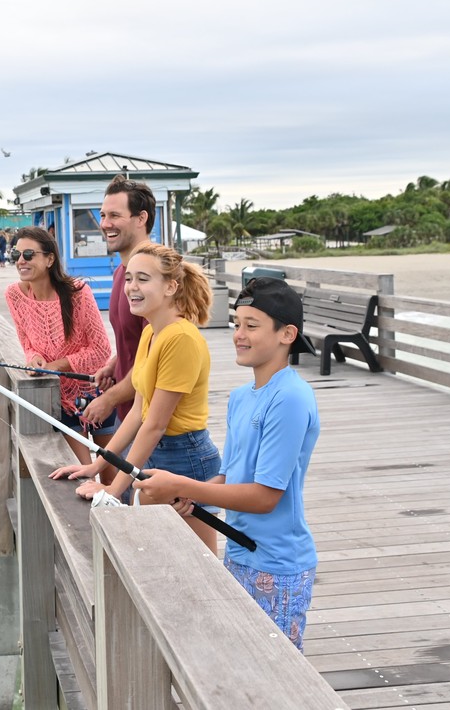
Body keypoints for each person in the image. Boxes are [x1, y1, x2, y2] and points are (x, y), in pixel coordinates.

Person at [134, 276, 321, 651]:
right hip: (239, 555)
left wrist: (182, 485)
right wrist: (194, 501)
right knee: (240, 660)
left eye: (252, 326)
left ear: (287, 334)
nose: (239, 334)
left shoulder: (291, 398)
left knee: (275, 674)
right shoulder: (241, 397)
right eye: (237, 324)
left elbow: (266, 496)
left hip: (277, 564)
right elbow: (229, 477)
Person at [50, 243, 223, 551]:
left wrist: (115, 491)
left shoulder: (180, 338)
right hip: (154, 452)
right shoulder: (151, 332)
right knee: (160, 557)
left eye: (143, 279)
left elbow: (155, 424)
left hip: (186, 457)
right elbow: (137, 411)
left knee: (201, 563)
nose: (131, 287)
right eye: (129, 278)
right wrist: (96, 464)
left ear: (171, 286)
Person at [3, 227, 116, 463]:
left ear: (49, 258)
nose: (21, 261)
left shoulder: (78, 292)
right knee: (83, 475)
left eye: (29, 255)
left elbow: (101, 350)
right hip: (59, 398)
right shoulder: (14, 295)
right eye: (16, 255)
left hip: (97, 391)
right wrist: (34, 357)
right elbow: (27, 342)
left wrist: (57, 365)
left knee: (111, 477)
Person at [78, 176, 156, 440]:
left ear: (141, 218)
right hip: (129, 415)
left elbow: (154, 359)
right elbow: (136, 340)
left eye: (114, 215)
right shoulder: (123, 272)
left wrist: (108, 399)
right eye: (102, 215)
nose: (104, 224)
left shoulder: (156, 275)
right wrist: (115, 364)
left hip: (153, 426)